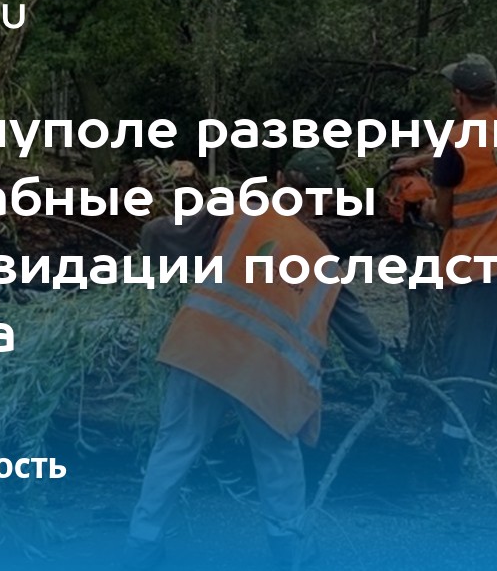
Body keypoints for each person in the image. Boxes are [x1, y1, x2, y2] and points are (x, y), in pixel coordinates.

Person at [123, 147, 401, 570]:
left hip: (203, 347)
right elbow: (350, 316)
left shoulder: (237, 212)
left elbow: (158, 234)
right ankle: (290, 550)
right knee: (278, 458)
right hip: (267, 371)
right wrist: (381, 359)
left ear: (281, 180)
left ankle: (142, 544)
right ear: (324, 198)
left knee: (175, 445)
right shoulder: (321, 258)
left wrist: (167, 269)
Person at [393, 53, 497, 496]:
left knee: (465, 375)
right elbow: (491, 155)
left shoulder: (457, 144)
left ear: (458, 97)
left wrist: (422, 204)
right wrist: (423, 158)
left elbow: (445, 215)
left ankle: (449, 466)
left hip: (482, 276)